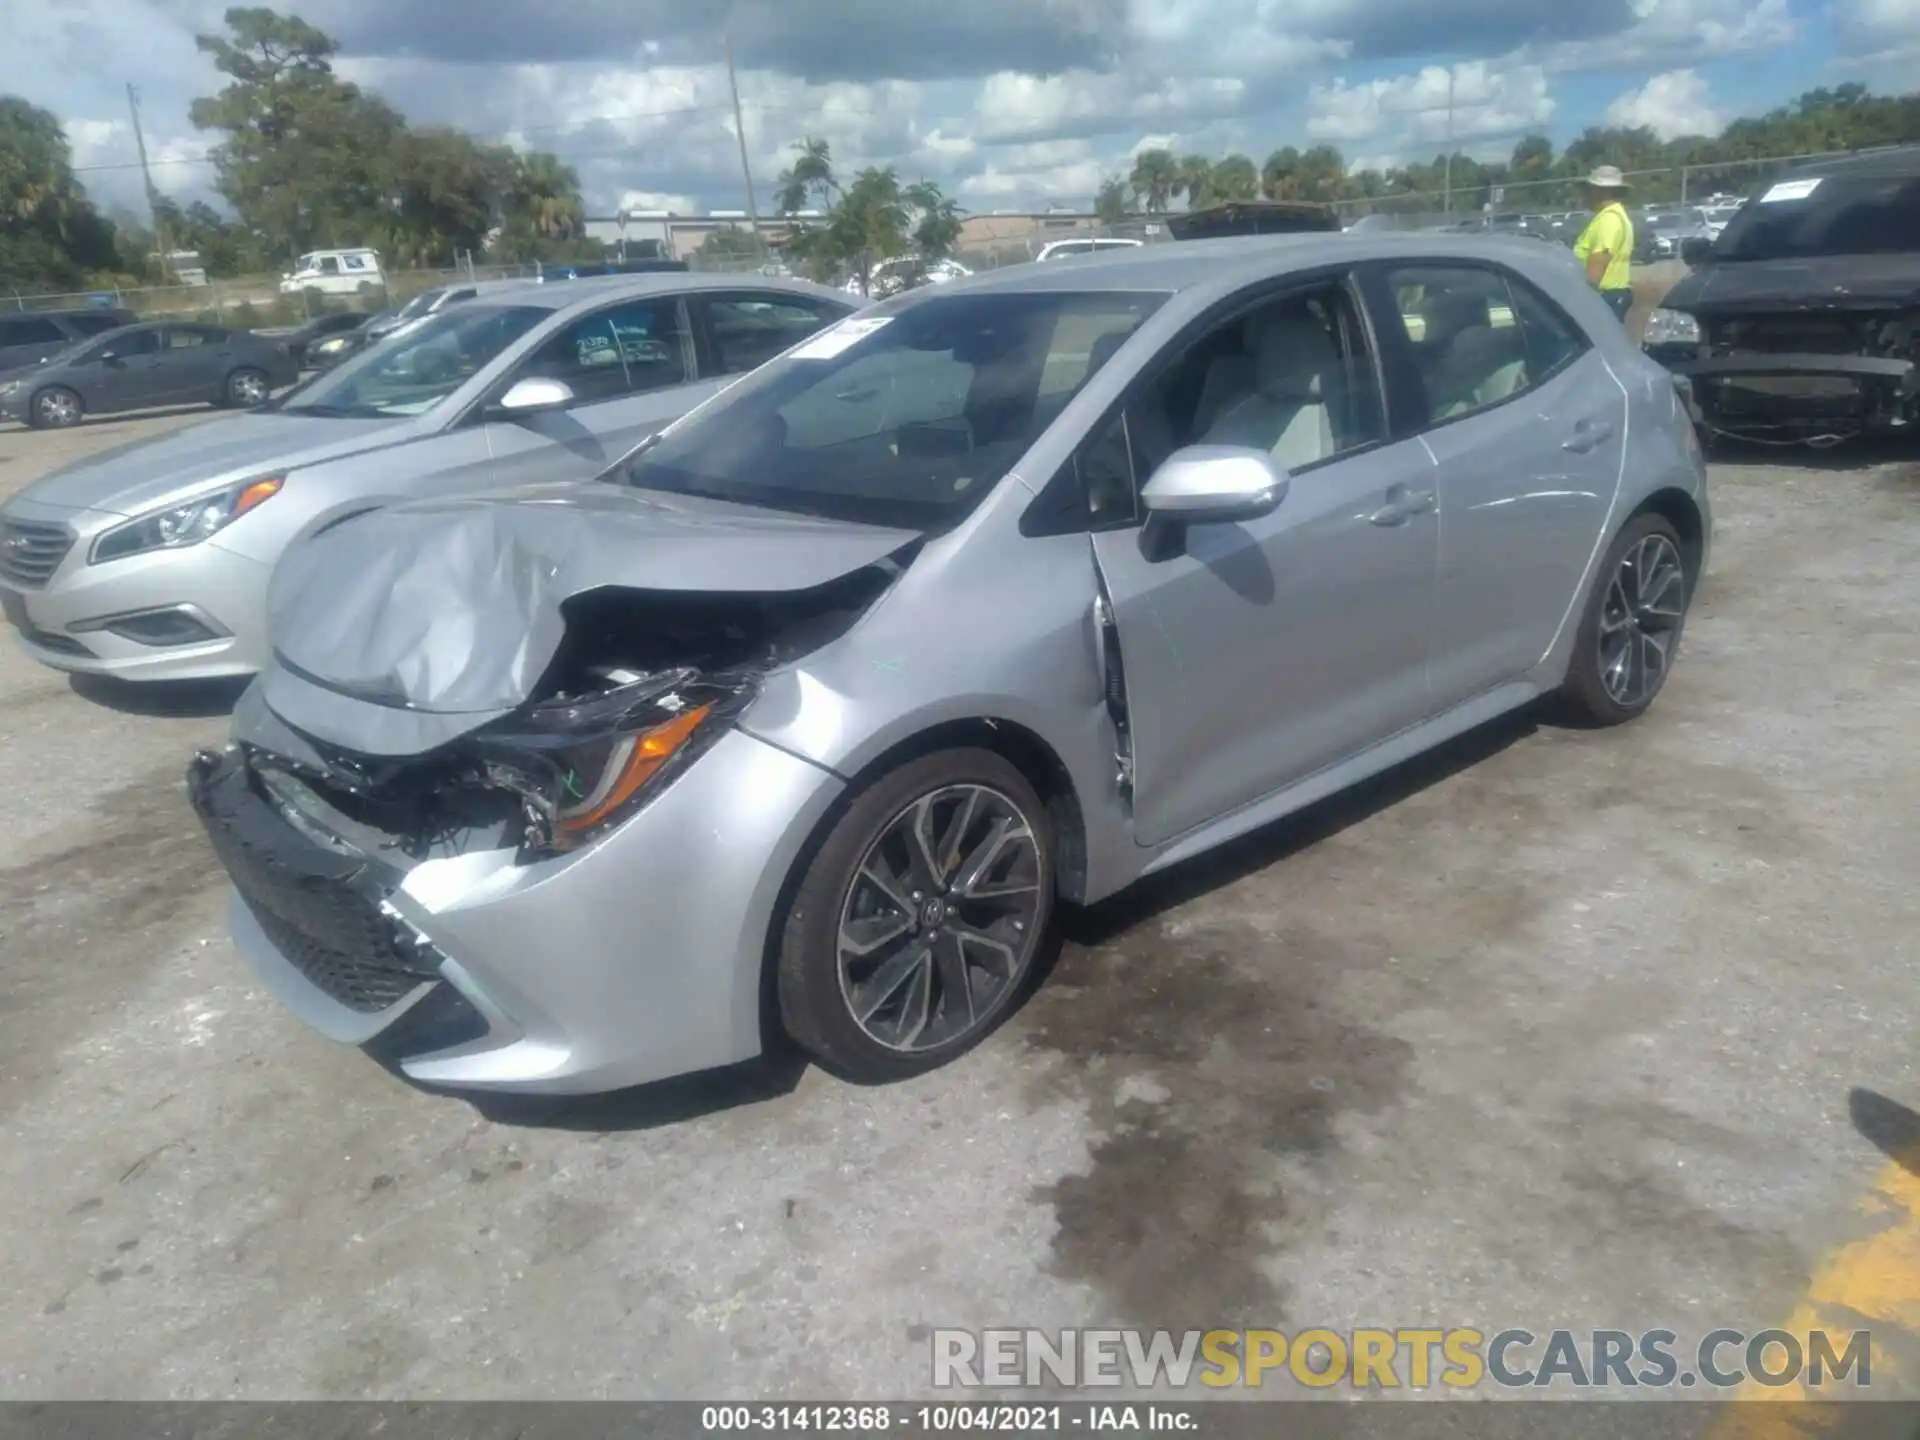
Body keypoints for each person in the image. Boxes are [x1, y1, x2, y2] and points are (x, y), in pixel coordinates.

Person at [1572, 165, 1636, 322]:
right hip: (1611, 294)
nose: (1586, 194)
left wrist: (1586, 295)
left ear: (1600, 191)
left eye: (1589, 189)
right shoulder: (1612, 216)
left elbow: (1600, 257)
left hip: (1605, 295)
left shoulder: (1609, 219)